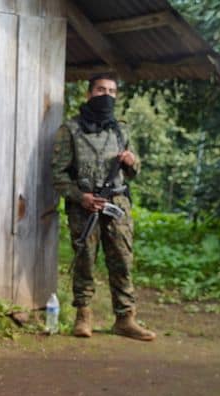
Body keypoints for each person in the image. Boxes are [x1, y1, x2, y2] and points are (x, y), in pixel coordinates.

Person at [51, 72, 156, 341]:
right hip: (85, 206)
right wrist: (80, 196)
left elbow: (135, 171)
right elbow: (58, 174)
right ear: (89, 94)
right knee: (84, 260)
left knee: (122, 259)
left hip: (117, 204)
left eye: (111, 91)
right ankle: (83, 315)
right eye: (100, 90)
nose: (106, 95)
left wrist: (132, 162)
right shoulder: (70, 130)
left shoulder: (120, 129)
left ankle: (125, 318)